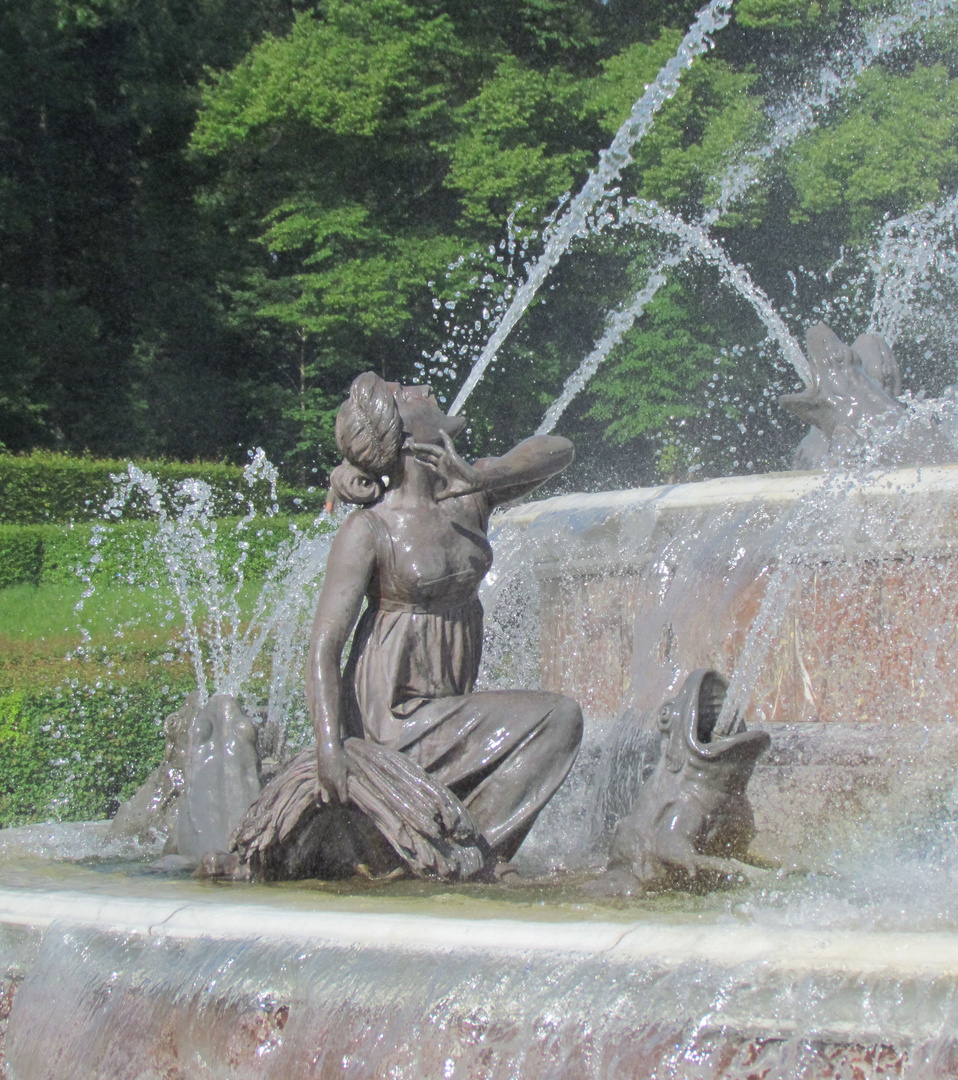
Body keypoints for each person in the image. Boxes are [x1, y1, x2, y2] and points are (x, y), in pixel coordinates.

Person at [302, 373, 583, 869]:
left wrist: (484, 479)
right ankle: (470, 859)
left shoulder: (469, 497)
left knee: (553, 725)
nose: (420, 388)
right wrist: (330, 748)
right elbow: (325, 648)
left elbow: (560, 450)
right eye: (402, 393)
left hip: (446, 704)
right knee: (557, 718)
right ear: (402, 432)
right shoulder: (369, 528)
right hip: (390, 715)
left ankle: (461, 855)